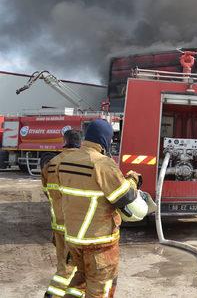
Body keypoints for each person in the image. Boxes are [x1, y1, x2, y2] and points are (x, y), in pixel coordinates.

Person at [55, 119, 147, 298]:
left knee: (78, 282)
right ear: (105, 139)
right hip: (99, 243)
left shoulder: (65, 161)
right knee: (101, 290)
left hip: (73, 239)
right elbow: (124, 197)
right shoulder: (102, 163)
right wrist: (133, 179)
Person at [41, 129, 83, 298]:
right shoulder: (81, 162)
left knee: (65, 266)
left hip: (58, 225)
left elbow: (47, 191)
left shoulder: (51, 164)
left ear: (64, 142)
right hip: (77, 227)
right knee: (72, 269)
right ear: (80, 143)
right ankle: (52, 295)